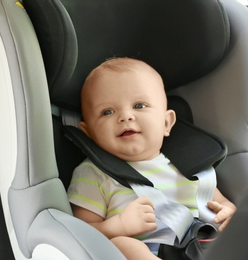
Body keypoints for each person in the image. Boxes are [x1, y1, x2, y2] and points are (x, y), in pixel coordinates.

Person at [67, 57, 236, 259]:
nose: (125, 116)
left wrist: (229, 213)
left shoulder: (189, 166)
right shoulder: (92, 174)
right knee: (122, 245)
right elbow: (80, 233)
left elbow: (222, 202)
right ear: (89, 133)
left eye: (139, 106)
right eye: (108, 111)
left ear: (166, 123)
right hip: (152, 251)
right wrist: (120, 225)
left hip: (206, 246)